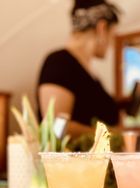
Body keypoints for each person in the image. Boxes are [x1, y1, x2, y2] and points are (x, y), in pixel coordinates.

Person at [37, 0, 124, 137]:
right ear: (102, 28)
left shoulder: (92, 75)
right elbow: (56, 127)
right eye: (112, 35)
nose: (112, 44)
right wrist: (112, 134)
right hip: (74, 159)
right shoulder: (59, 63)